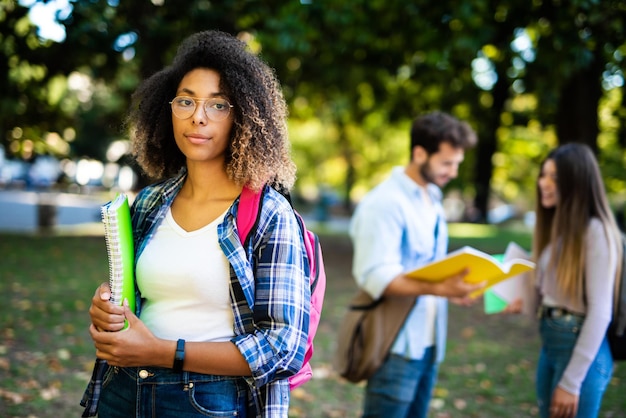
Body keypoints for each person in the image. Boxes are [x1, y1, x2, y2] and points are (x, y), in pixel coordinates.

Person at [80, 30, 310, 418]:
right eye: (185, 101)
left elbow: (282, 346)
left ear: (245, 116)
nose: (197, 116)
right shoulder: (151, 202)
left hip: (206, 401)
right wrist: (108, 309)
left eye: (218, 105)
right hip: (122, 390)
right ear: (167, 109)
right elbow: (142, 299)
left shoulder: (270, 215)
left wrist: (162, 352)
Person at [349, 111, 485, 418]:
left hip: (430, 342)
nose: (452, 172)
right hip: (397, 346)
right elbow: (376, 276)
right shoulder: (385, 202)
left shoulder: (432, 197)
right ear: (419, 153)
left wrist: (454, 287)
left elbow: (430, 265)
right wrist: (441, 288)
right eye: (446, 163)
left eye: (457, 164)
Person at [531, 143, 622, 418]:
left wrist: (571, 383)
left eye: (554, 178)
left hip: (579, 350)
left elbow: (600, 311)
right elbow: (554, 293)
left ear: (577, 183)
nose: (543, 183)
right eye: (543, 175)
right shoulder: (560, 229)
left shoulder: (596, 232)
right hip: (552, 344)